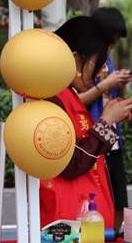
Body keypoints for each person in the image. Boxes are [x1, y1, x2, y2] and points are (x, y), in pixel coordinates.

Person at [40, 16, 132, 230]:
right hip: (67, 225)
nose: (100, 73)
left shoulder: (67, 94)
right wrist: (105, 122)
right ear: (74, 59)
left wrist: (110, 119)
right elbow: (70, 163)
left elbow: (89, 152)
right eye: (96, 64)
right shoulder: (52, 99)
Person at [78, 7, 132, 231]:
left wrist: (120, 85)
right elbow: (74, 101)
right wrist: (104, 84)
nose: (111, 48)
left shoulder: (107, 60)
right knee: (96, 200)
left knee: (120, 200)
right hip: (92, 141)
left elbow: (113, 98)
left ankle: (118, 235)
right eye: (110, 41)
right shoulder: (80, 60)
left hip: (113, 139)